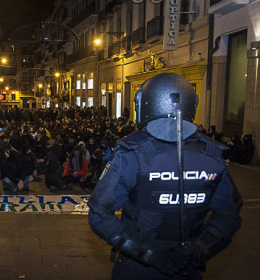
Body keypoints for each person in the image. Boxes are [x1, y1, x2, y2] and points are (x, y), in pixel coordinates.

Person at [88, 73, 242, 279]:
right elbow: (229, 215)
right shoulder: (212, 155)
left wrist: (149, 253)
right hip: (187, 266)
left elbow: (99, 214)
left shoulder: (132, 153)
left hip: (137, 266)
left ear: (143, 104)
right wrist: (200, 249)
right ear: (192, 104)